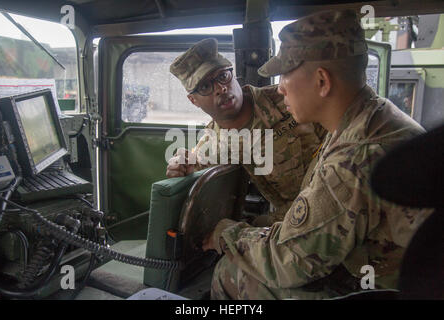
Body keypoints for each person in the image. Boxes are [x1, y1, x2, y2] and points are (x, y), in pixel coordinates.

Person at [201, 9, 431, 299]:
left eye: (285, 74)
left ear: (322, 81)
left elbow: (291, 261)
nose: (280, 87)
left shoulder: (354, 157)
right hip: (394, 270)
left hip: (387, 287)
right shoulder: (371, 115)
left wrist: (225, 234)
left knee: (231, 273)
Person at [168, 38, 326, 222]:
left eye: (222, 76)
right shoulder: (212, 143)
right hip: (291, 219)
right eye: (205, 86)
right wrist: (179, 169)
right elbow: (190, 167)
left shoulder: (288, 101)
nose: (220, 88)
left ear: (232, 74)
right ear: (193, 100)